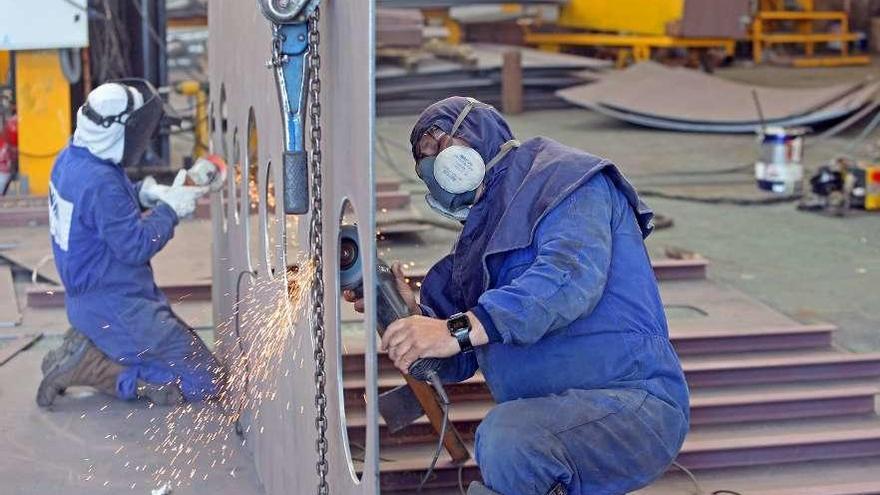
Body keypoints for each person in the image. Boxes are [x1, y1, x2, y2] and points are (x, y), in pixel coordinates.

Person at [345, 97, 690, 495]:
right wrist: (403, 313)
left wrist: (454, 329)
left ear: (480, 133)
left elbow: (567, 281)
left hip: (633, 403)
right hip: (552, 411)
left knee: (508, 440)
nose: (435, 162)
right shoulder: (475, 249)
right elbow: (455, 356)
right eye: (425, 159)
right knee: (511, 439)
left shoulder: (566, 178)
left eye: (440, 143)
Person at [37, 81, 224, 408]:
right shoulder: (100, 181)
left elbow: (99, 209)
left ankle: (94, 347)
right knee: (209, 382)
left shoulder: (72, 158)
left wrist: (146, 192)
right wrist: (171, 209)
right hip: (120, 309)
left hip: (95, 303)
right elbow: (135, 245)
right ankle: (101, 370)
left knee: (182, 355)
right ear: (118, 130)